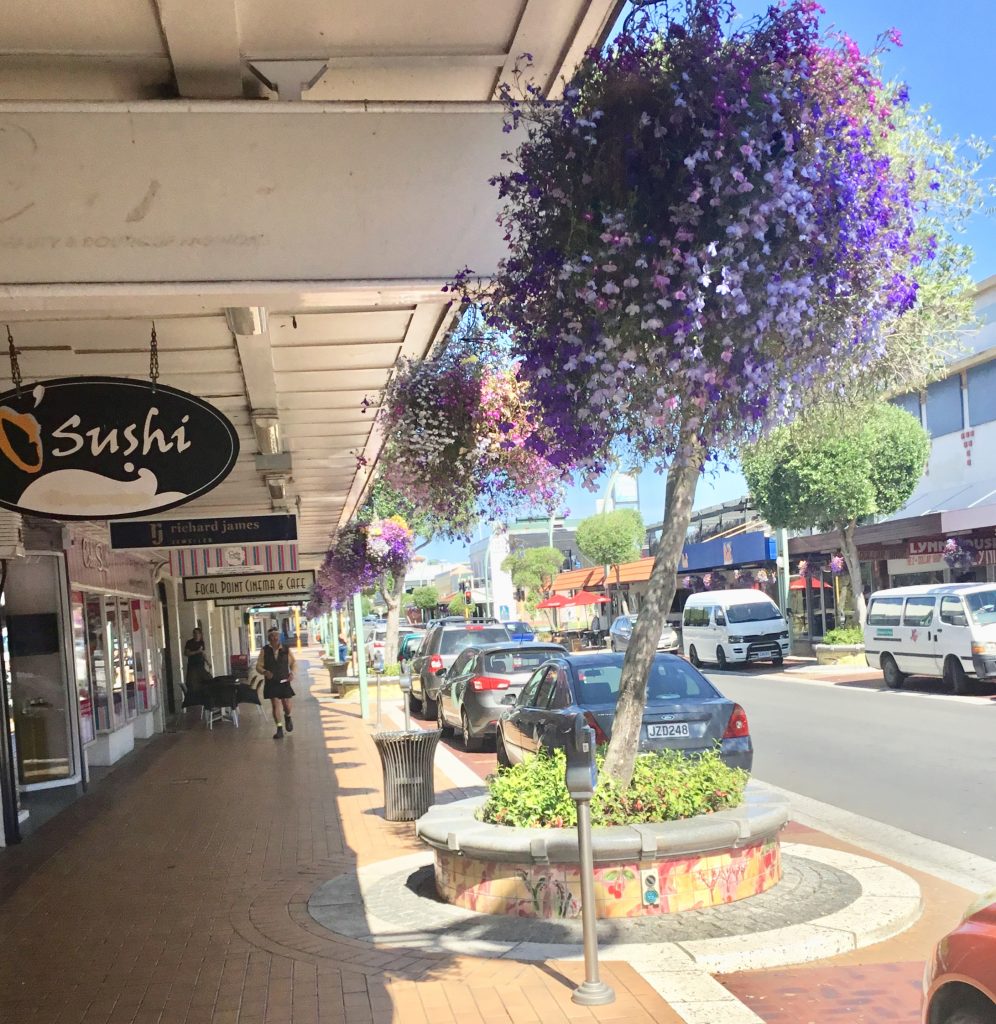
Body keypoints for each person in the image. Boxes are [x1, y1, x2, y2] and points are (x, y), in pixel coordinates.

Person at [257, 627, 296, 739]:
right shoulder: (264, 650)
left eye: (276, 635)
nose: (274, 638)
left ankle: (288, 716)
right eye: (272, 636)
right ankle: (279, 728)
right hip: (272, 681)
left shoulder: (286, 649)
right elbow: (258, 666)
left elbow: (293, 663)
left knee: (286, 704)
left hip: (284, 680)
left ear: (279, 637)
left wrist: (292, 673)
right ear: (269, 638)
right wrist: (264, 672)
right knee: (275, 704)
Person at [183, 628, 211, 692]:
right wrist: (196, 651)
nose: (196, 635)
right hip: (192, 666)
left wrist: (208, 662)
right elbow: (186, 653)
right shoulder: (189, 642)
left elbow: (203, 654)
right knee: (192, 683)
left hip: (201, 665)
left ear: (200, 634)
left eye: (198, 633)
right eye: (194, 633)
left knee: (207, 679)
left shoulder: (202, 642)